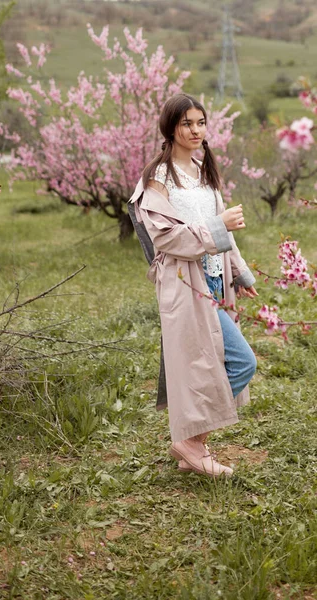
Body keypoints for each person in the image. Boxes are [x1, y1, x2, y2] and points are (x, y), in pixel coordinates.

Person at [128, 93, 258, 478]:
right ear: (170, 128)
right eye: (187, 123)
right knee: (241, 362)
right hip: (186, 285)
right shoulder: (158, 179)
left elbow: (222, 234)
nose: (195, 130)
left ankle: (193, 446)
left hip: (215, 282)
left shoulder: (204, 171)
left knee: (210, 365)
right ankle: (190, 442)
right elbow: (166, 238)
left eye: (200, 122)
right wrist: (220, 227)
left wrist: (240, 271)